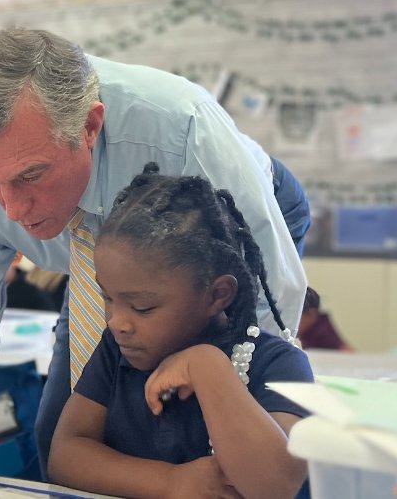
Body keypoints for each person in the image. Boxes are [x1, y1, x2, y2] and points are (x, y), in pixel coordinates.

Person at [0, 27, 311, 481]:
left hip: (226, 221)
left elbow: (268, 306)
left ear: (90, 127)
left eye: (31, 175)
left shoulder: (182, 128)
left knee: (198, 432)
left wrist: (249, 408)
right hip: (111, 264)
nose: (12, 210)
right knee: (58, 430)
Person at [48, 166, 311, 498]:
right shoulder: (116, 349)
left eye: (142, 307)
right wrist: (169, 482)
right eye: (108, 298)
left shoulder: (278, 364)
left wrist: (207, 367)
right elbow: (65, 455)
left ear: (217, 295)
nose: (117, 321)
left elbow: (275, 486)